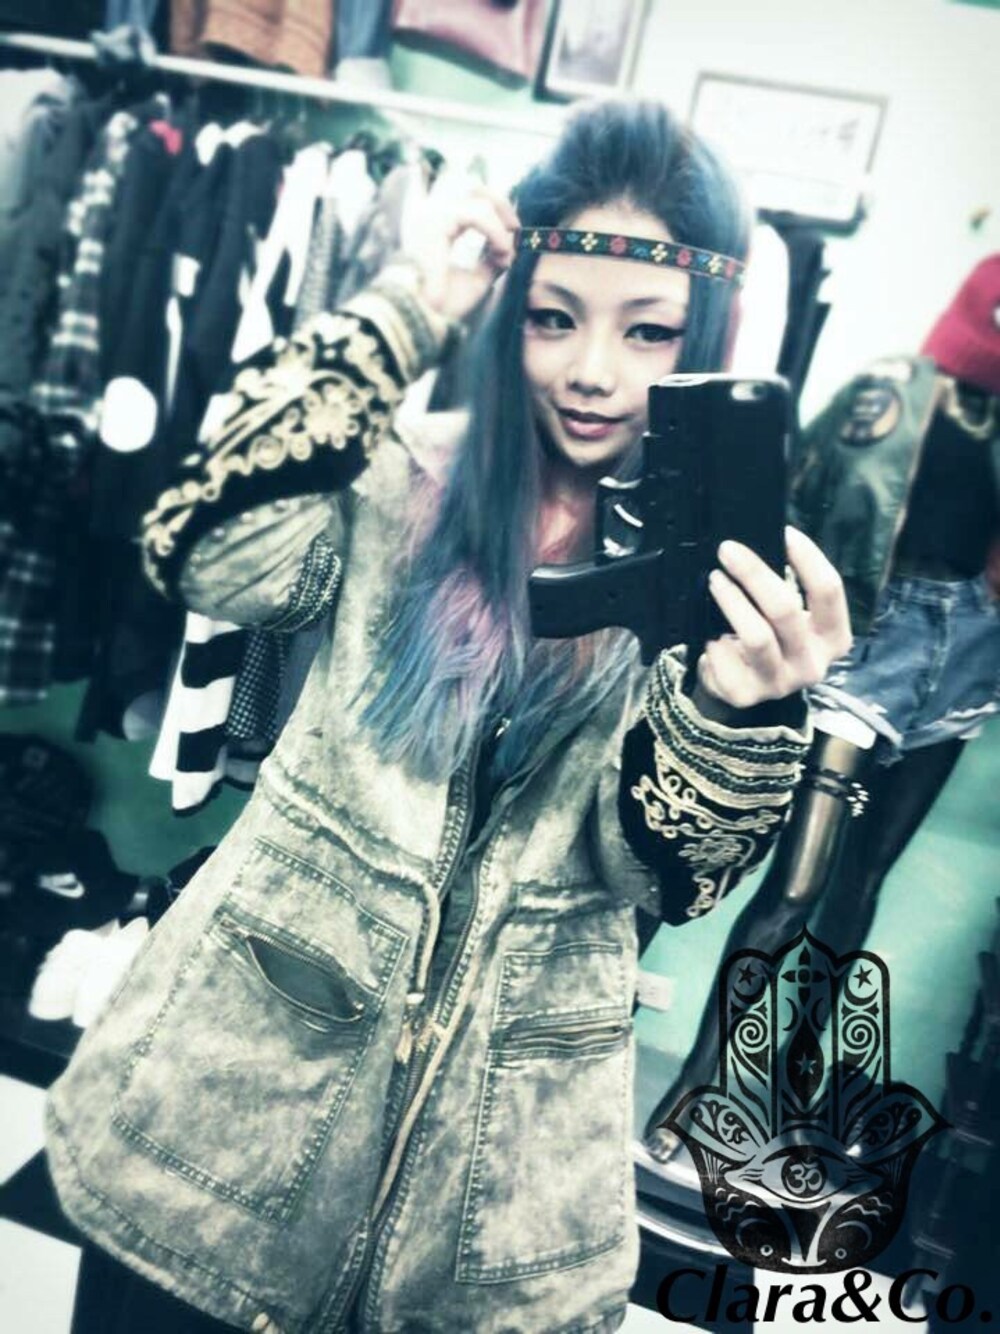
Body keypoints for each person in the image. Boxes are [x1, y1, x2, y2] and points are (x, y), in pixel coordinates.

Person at [46, 99, 851, 1334]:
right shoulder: (396, 470)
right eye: (552, 317)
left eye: (648, 330)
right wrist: (407, 308)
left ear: (708, 338)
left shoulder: (719, 575)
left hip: (490, 1186)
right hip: (226, 1117)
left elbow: (662, 874)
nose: (592, 371)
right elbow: (202, 551)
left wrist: (736, 710)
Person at [645, 256, 1000, 1156]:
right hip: (872, 641)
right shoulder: (892, 386)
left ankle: (792, 1087)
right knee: (795, 886)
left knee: (861, 888)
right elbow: (797, 497)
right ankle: (695, 1082)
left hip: (967, 653)